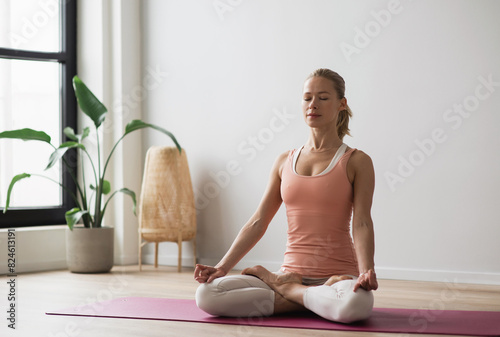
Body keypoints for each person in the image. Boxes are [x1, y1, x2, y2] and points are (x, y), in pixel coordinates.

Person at [194, 68, 378, 323]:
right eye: (307, 98)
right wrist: (222, 267)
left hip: (339, 276)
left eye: (323, 98)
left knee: (356, 305)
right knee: (206, 295)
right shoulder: (284, 161)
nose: (313, 104)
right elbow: (258, 221)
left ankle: (290, 292)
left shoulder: (357, 161)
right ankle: (312, 299)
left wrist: (367, 270)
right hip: (288, 271)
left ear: (341, 104)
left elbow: (362, 222)